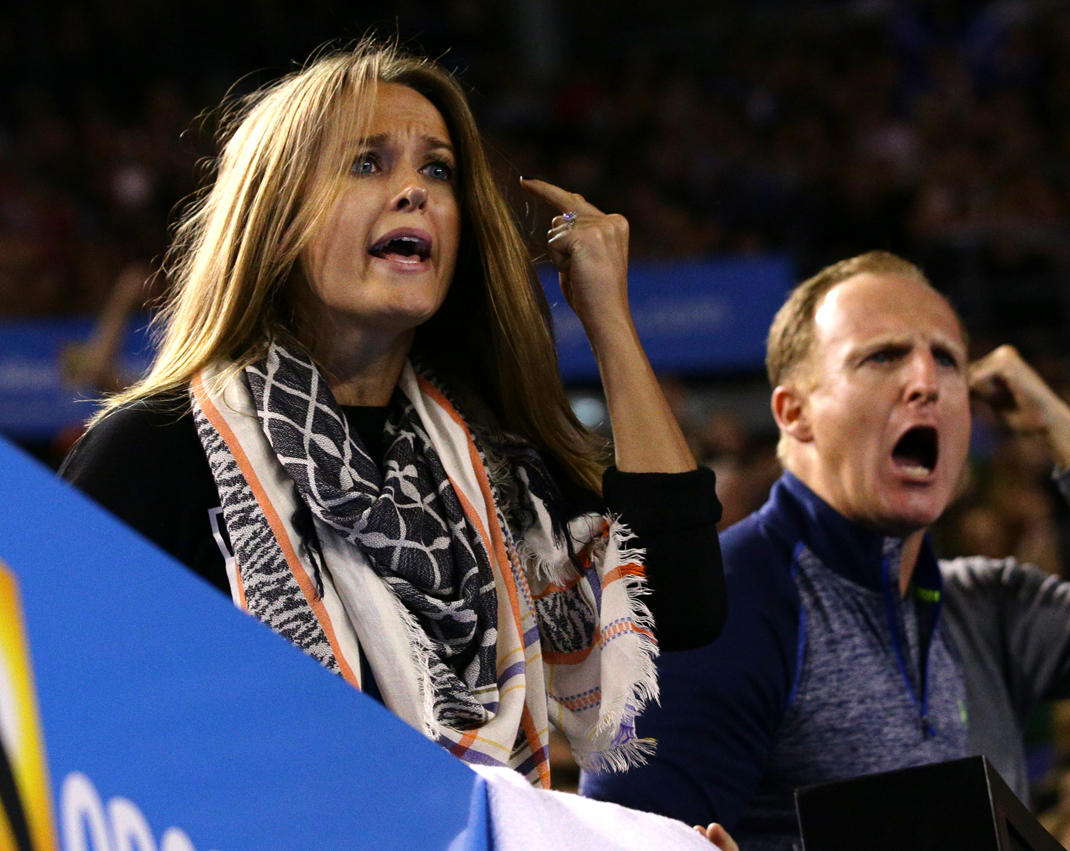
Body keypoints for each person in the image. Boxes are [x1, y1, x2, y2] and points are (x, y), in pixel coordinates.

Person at [60, 43, 726, 789]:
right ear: (277, 219)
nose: (415, 191)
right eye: (367, 163)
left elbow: (683, 601)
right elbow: (59, 724)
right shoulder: (154, 451)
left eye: (437, 169)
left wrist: (607, 318)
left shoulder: (492, 466)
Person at [582, 251, 1070, 849]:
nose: (925, 379)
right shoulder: (718, 603)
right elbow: (617, 839)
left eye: (948, 360)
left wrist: (1063, 432)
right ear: (793, 412)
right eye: (882, 356)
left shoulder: (988, 605)